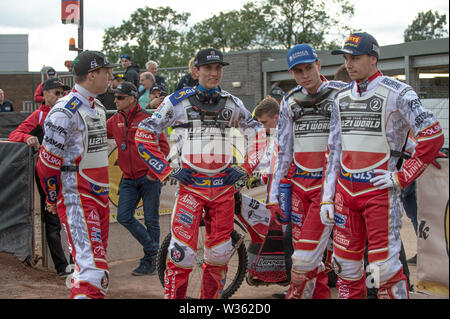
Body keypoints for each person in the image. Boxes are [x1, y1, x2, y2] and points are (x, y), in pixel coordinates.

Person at [135, 48, 267, 299]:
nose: (214, 73)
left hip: (223, 190)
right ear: (196, 71)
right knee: (181, 254)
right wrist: (165, 170)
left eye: (218, 68)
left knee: (218, 256)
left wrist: (245, 169)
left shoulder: (232, 102)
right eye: (208, 68)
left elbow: (258, 133)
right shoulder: (176, 101)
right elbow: (143, 133)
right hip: (190, 190)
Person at [320, 32, 444, 299]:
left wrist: (402, 177)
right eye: (346, 58)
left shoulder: (398, 91)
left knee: (383, 270)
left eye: (355, 58)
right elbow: (334, 151)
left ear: (373, 59)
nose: (349, 63)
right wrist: (327, 199)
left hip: (380, 195)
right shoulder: (341, 98)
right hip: (345, 194)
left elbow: (433, 135)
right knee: (346, 268)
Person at [266, 43, 347, 299]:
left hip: (330, 189)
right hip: (301, 189)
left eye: (309, 68)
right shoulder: (290, 101)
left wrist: (408, 147)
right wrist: (273, 195)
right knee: (312, 261)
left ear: (319, 65)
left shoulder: (342, 93)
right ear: (292, 73)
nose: (305, 74)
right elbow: (284, 152)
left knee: (303, 259)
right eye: (298, 71)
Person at [36, 50, 119, 299]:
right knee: (95, 272)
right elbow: (46, 163)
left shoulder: (99, 106)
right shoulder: (64, 110)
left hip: (100, 196)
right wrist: (53, 198)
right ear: (92, 75)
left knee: (90, 266)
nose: (111, 77)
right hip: (78, 197)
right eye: (107, 72)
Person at [9, 78, 73, 277]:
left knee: (74, 218)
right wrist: (26, 137)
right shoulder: (39, 115)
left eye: (63, 93)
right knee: (53, 219)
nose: (61, 96)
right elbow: (15, 134)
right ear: (44, 95)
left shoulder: (72, 112)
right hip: (48, 174)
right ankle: (62, 267)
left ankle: (77, 265)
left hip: (71, 172)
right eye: (56, 93)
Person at [106, 81, 170, 276]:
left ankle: (149, 262)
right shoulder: (114, 120)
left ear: (132, 99)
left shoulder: (147, 119)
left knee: (151, 220)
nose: (115, 101)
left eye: (120, 97)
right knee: (124, 216)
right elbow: (97, 134)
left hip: (148, 178)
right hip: (128, 178)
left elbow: (164, 147)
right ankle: (155, 251)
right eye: (115, 97)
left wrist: (153, 172)